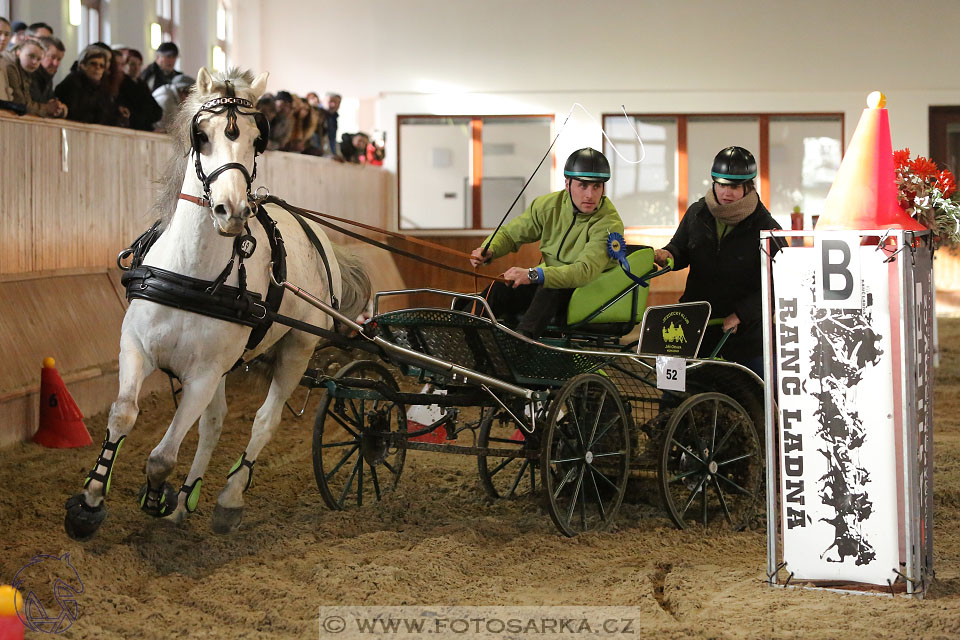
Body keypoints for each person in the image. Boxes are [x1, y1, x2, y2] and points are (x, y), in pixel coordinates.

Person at [465, 147, 625, 338]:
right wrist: (489, 248)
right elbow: (511, 234)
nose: (590, 195)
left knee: (551, 287)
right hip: (549, 283)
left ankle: (521, 344)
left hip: (589, 294)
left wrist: (533, 274)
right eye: (583, 186)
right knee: (503, 286)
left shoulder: (609, 223)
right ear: (567, 184)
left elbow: (584, 271)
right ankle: (460, 329)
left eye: (596, 186)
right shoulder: (548, 206)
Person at [653, 146, 780, 377]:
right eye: (721, 185)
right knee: (669, 384)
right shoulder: (696, 213)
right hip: (693, 319)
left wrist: (741, 314)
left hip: (744, 333)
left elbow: (777, 283)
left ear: (748, 186)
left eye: (733, 187)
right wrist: (667, 254)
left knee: (756, 395)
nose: (726, 192)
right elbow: (680, 249)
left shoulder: (767, 227)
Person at [0, 37, 66, 117]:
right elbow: (20, 103)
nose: (35, 62)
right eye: (31, 56)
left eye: (38, 59)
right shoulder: (11, 66)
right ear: (18, 52)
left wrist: (60, 109)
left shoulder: (27, 70)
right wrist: (47, 109)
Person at [54, 45, 116, 124]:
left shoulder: (102, 88)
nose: (98, 68)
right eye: (93, 64)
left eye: (101, 66)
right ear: (82, 65)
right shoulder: (72, 83)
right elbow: (76, 114)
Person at [117, 48, 161, 131]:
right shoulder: (121, 84)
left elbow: (157, 111)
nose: (136, 68)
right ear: (125, 65)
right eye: (132, 64)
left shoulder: (142, 84)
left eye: (139, 64)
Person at [29, 36, 64, 104]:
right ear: (40, 54)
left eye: (59, 59)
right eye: (52, 57)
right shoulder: (29, 75)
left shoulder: (48, 75)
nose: (55, 63)